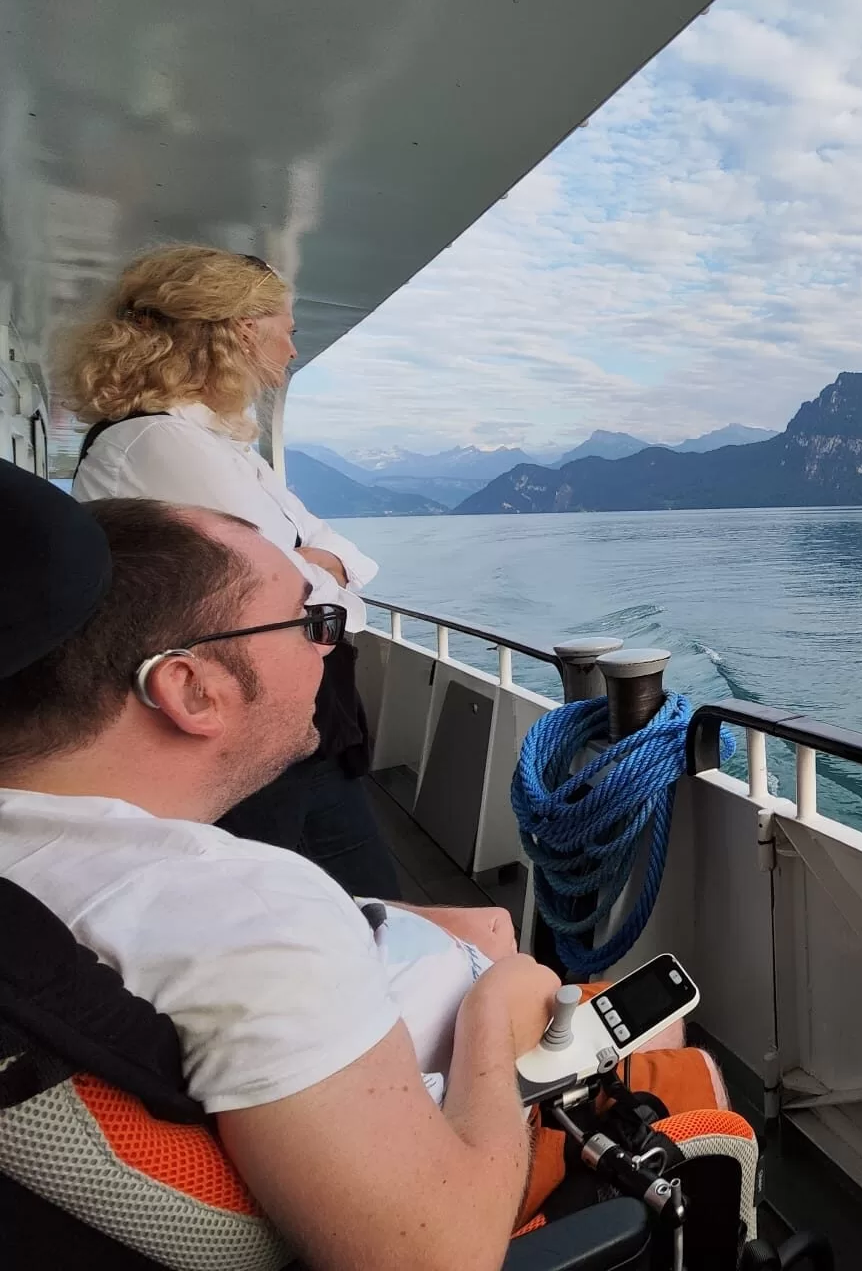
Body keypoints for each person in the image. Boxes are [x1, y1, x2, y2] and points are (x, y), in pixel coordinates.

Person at [0, 477, 722, 1269]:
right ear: (191, 689)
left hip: (370, 1047)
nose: (332, 646)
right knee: (681, 1060)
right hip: (478, 1139)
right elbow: (435, 1255)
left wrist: (383, 918)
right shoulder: (256, 917)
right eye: (311, 621)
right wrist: (503, 1000)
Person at [59, 243, 400, 897]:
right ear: (242, 329)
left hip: (282, 724)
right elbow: (299, 596)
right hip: (229, 730)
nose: (292, 352)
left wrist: (317, 567)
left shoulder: (210, 445)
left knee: (364, 900)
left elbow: (345, 561)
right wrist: (314, 568)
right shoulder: (158, 443)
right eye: (287, 332)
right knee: (287, 908)